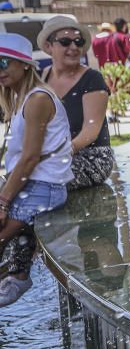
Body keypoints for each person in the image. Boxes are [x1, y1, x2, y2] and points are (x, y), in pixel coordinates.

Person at [0, 34, 73, 308]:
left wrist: (3, 201)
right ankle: (16, 275)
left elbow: (30, 158)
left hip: (44, 189)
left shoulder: (37, 99)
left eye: (5, 62)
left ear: (25, 64)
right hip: (33, 186)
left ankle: (18, 277)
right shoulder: (21, 99)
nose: (0, 70)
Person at [37, 16, 115, 189]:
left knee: (34, 180)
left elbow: (91, 131)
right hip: (52, 156)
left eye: (78, 42)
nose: (73, 47)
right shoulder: (41, 78)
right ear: (49, 47)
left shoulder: (92, 79)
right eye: (65, 42)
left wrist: (55, 154)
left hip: (92, 157)